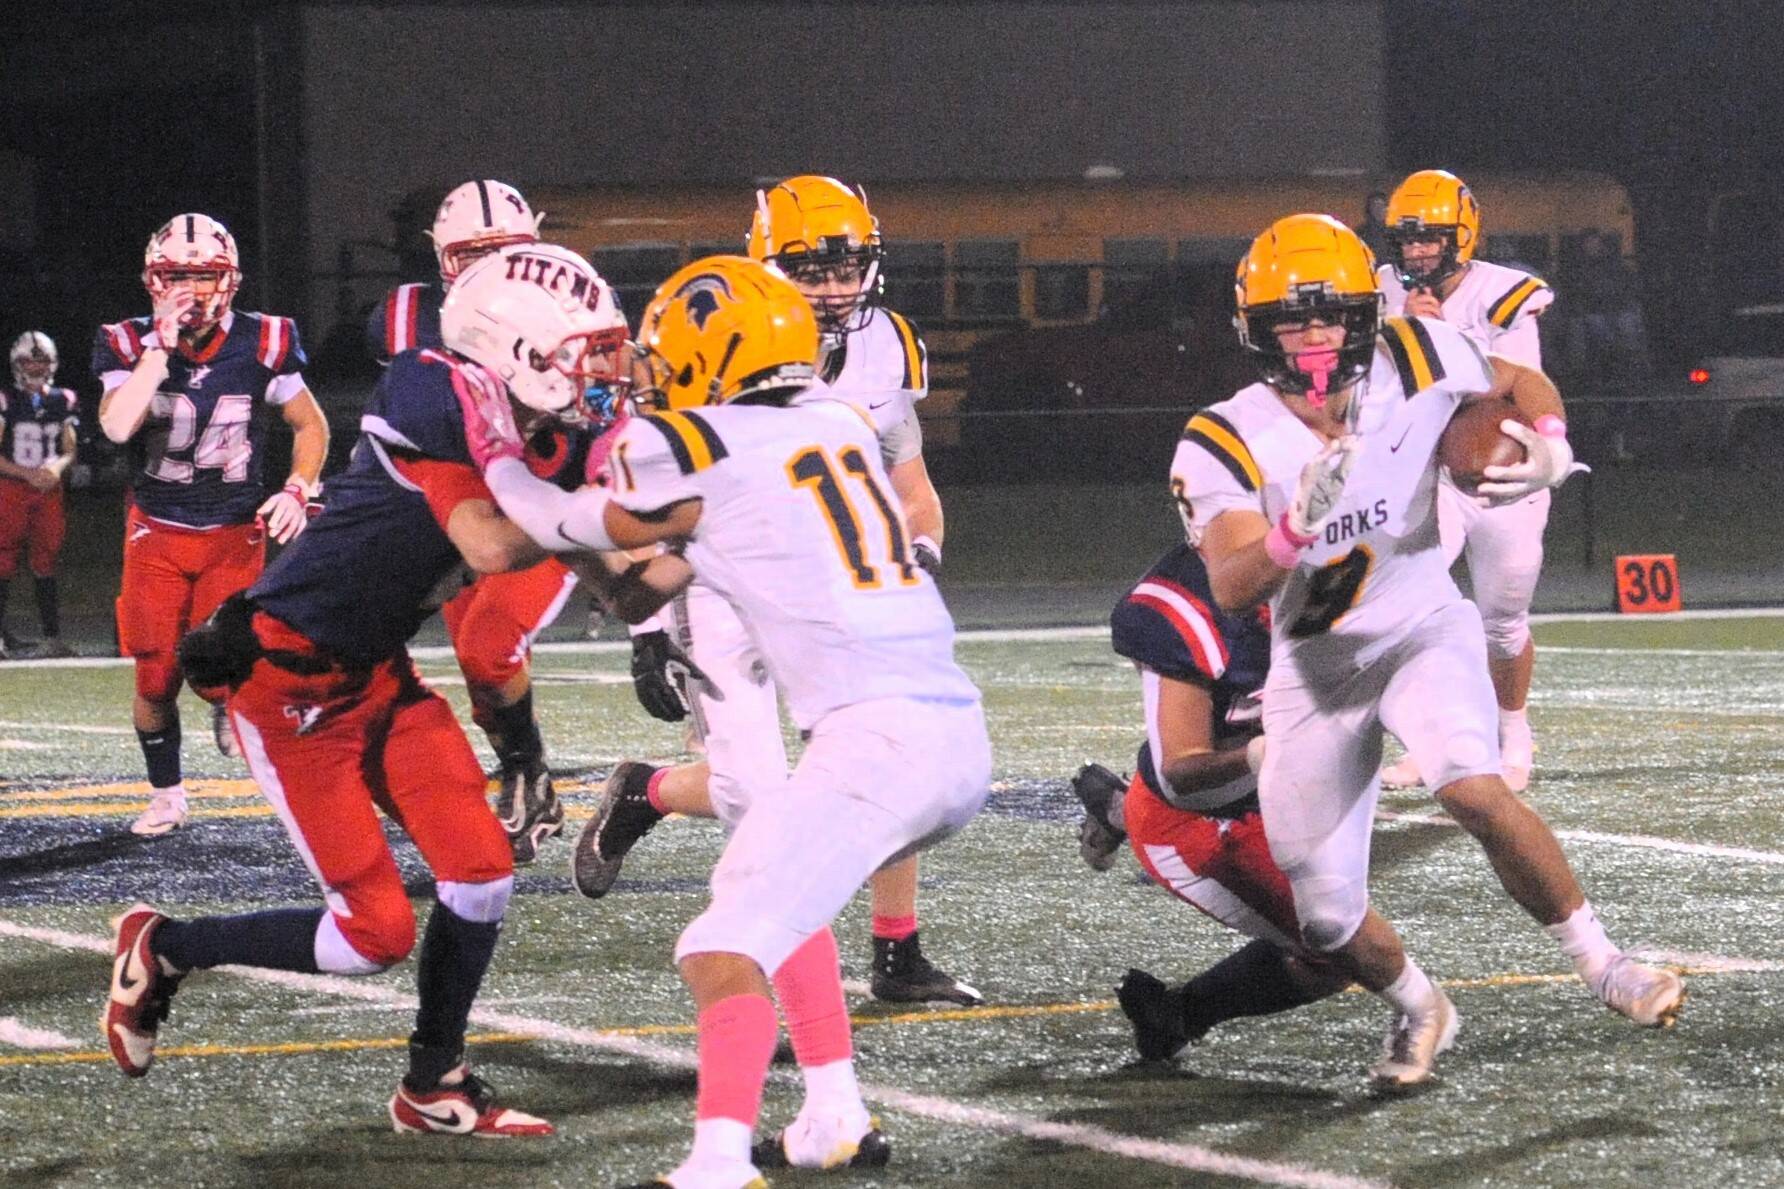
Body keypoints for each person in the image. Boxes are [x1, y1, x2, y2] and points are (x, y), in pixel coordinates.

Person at [466, 253, 990, 1188]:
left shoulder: (698, 445)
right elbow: (644, 587)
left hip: (880, 740)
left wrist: (495, 454)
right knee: (770, 907)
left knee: (720, 942)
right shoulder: (832, 420)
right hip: (944, 730)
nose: (651, 376)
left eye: (666, 357)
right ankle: (832, 1115)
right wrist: (600, 552)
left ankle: (714, 1165)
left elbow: (543, 522)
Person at [99, 243, 639, 1137]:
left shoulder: (548, 429)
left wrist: (694, 538)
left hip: (378, 675)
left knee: (482, 871)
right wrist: (621, 512)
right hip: (286, 681)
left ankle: (433, 1082)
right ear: (509, 348)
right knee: (373, 936)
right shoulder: (433, 388)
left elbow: (623, 577)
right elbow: (494, 546)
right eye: (580, 350)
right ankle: (165, 947)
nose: (599, 373)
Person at [1171, 212, 1683, 1087]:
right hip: (1317, 673)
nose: (1315, 337)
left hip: (1419, 624)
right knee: (1327, 919)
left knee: (1470, 784)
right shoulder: (1222, 434)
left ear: (1366, 315)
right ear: (1256, 330)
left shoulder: (1419, 351)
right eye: (1292, 319)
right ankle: (1420, 1007)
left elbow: (1524, 383)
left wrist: (1553, 448)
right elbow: (1229, 584)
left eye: (1331, 315)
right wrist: (1295, 531)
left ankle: (1606, 962)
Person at [575, 175, 976, 1006]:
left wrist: (916, 558)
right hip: (717, 572)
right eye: (813, 270)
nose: (834, 288)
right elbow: (655, 483)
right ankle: (652, 800)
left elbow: (913, 482)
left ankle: (895, 952)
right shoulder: (709, 331)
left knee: (880, 734)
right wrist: (644, 632)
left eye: (849, 266)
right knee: (750, 793)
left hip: (828, 575)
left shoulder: (888, 344)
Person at [365, 178, 596, 863]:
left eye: (504, 251)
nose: (488, 267)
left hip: (544, 501)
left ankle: (525, 773)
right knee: (474, 664)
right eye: (471, 254)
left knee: (489, 646)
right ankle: (525, 773)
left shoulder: (571, 307)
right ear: (441, 260)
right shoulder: (406, 315)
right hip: (459, 500)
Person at [1072, 541, 1371, 1067]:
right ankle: (1181, 1014)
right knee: (1342, 950)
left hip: (1264, 784)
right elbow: (1184, 770)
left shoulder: (1341, 567)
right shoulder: (1192, 601)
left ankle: (1118, 810)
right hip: (1201, 813)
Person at [95, 214, 329, 837]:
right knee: (155, 673)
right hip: (156, 531)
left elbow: (311, 425)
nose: (191, 291)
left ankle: (236, 707)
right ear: (154, 280)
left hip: (232, 531)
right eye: (178, 276)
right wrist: (159, 351)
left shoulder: (265, 340)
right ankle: (168, 795)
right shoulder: (124, 341)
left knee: (220, 674)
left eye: (205, 277)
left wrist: (298, 486)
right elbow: (117, 427)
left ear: (229, 282)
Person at [1375, 170, 1555, 792]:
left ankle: (1513, 732)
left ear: (1464, 234)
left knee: (1502, 621)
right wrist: (1402, 328)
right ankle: (1432, 742)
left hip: (1502, 474)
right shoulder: (1383, 292)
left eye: (1430, 237)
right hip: (1427, 474)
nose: (1417, 250)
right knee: (1406, 605)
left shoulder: (1504, 293)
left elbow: (1507, 382)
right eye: (1408, 239)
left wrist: (1436, 334)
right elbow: (1377, 385)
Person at [0, 332, 79, 657]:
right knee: (3, 560)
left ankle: (51, 637)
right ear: (18, 364)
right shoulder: (5, 400)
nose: (35, 367)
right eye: (29, 361)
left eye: (41, 360)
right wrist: (27, 474)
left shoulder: (64, 399)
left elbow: (69, 448)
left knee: (46, 561)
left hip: (48, 490)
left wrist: (56, 469)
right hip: (12, 486)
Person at [1355, 189, 1391, 262]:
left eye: (1382, 206)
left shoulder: (1394, 232)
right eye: (1375, 206)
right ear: (1369, 209)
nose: (1379, 209)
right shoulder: (1361, 232)